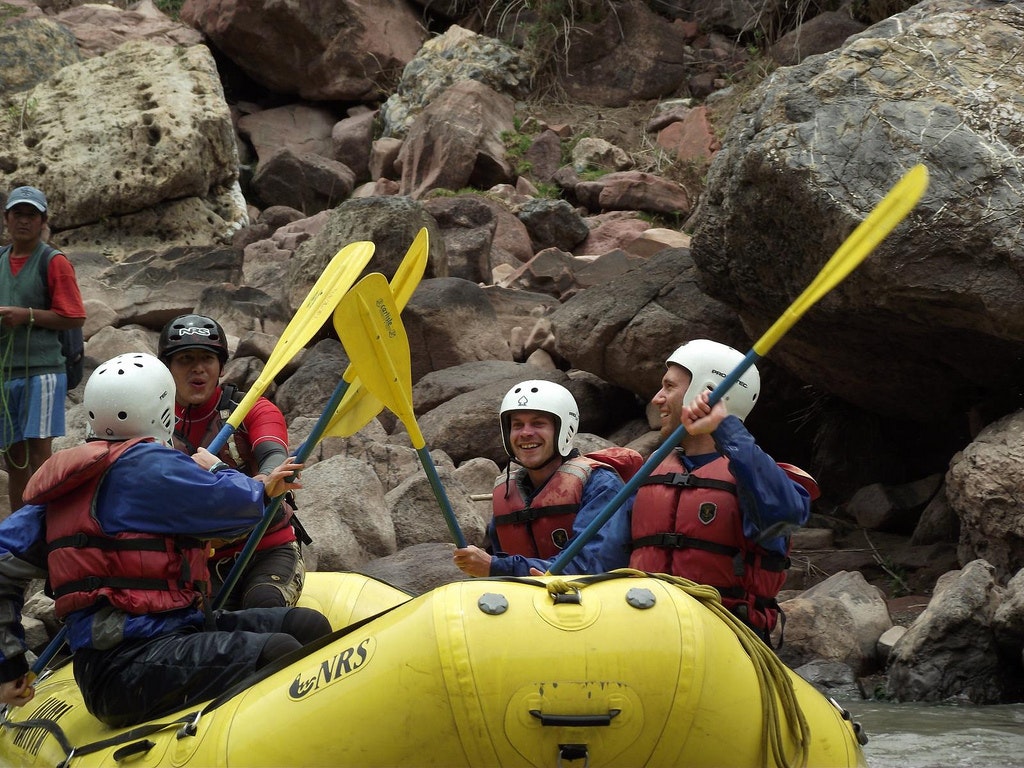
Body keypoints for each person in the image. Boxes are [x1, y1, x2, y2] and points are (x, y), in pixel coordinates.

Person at [0, 352, 331, 727]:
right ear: (162, 409)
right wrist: (229, 473)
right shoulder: (152, 465)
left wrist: (8, 665)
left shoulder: (68, 484)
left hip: (155, 643)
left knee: (303, 626)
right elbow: (239, 508)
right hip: (127, 665)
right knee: (279, 650)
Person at [629, 339, 819, 642]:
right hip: (646, 629)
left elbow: (786, 516)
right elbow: (605, 555)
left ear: (705, 392)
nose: (657, 398)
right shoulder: (651, 470)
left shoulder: (756, 478)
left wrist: (724, 427)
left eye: (669, 387)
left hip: (724, 635)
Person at [158, 314, 307, 610]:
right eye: (185, 359)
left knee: (263, 605)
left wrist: (264, 481)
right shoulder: (154, 424)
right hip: (199, 561)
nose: (198, 368)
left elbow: (273, 456)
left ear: (221, 367)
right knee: (201, 626)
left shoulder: (252, 409)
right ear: (167, 368)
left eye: (207, 358)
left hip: (268, 547)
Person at [453, 380, 637, 577]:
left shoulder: (601, 484)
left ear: (564, 429)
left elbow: (591, 565)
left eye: (538, 423)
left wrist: (495, 567)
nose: (525, 433)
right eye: (517, 425)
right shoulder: (508, 493)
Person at [0, 186, 86, 514]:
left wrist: (27, 316)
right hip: (5, 373)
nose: (24, 221)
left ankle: (46, 525)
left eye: (31, 215)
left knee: (39, 454)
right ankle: (17, 527)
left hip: (44, 373)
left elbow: (74, 316)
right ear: (6, 218)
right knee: (13, 457)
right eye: (18, 214)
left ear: (43, 221)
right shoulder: (0, 260)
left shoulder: (54, 262)